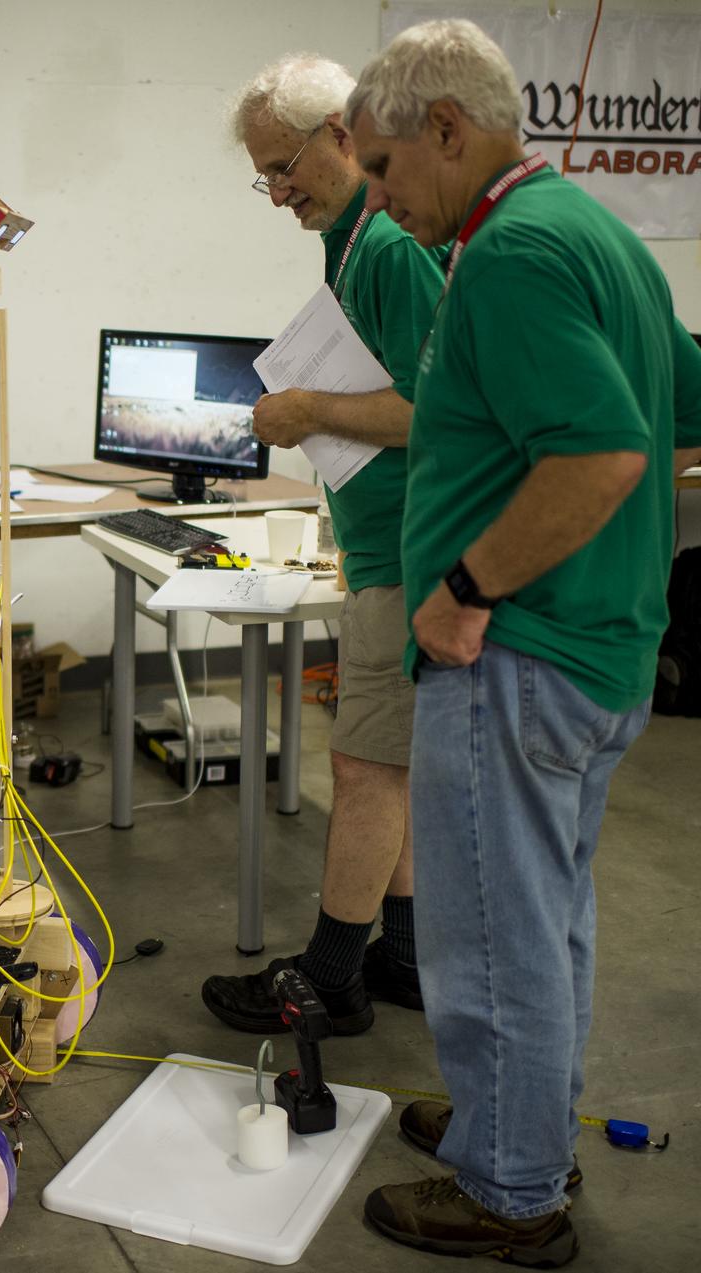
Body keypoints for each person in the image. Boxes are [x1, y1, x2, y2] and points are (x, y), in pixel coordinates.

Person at [345, 19, 701, 1265]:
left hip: (516, 652)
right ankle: (516, 1123)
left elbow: (600, 453)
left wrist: (463, 585)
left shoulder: (509, 253)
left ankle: (510, 1190)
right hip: (597, 645)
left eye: (380, 168)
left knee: (489, 933)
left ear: (444, 128)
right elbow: (676, 403)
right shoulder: (594, 231)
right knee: (542, 917)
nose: (376, 200)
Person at [201, 54, 445, 1036]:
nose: (274, 192)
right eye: (262, 175)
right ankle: (408, 958)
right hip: (384, 545)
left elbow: (440, 410)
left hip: (412, 551)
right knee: (391, 762)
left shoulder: (386, 247)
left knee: (363, 770)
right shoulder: (351, 241)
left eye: (282, 167)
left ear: (341, 135)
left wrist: (306, 409)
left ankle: (329, 981)